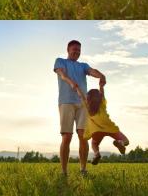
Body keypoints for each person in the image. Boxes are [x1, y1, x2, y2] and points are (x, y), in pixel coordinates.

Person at [53, 40, 107, 176]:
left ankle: (83, 170)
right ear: (68, 49)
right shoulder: (60, 61)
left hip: (83, 103)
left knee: (83, 137)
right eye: (74, 49)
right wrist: (71, 82)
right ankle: (64, 172)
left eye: (79, 50)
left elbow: (91, 71)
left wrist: (101, 75)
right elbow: (62, 74)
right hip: (66, 102)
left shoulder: (83, 65)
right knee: (67, 137)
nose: (76, 52)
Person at [78, 84, 130, 165]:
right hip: (109, 127)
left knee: (94, 143)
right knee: (126, 141)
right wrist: (101, 86)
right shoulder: (102, 104)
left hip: (96, 130)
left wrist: (77, 87)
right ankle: (121, 143)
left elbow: (81, 95)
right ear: (99, 98)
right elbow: (102, 93)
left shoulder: (87, 107)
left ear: (88, 99)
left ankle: (96, 154)